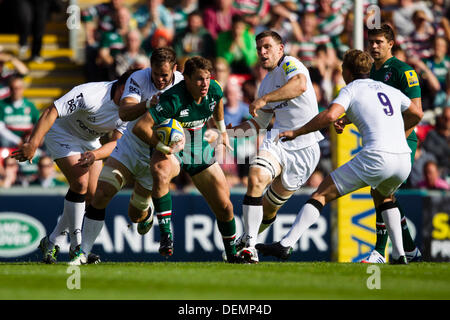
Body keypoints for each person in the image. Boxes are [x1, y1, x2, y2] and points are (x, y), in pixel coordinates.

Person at [255, 49, 423, 265]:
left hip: (377, 157)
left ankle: (286, 244)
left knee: (321, 194)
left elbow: (329, 115)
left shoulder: (351, 88)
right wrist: (398, 133)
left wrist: (297, 132)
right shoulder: (387, 89)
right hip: (402, 159)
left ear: (348, 71)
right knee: (384, 197)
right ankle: (399, 255)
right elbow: (417, 114)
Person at [71, 48, 184, 265]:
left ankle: (148, 211)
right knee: (101, 193)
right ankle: (83, 253)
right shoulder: (138, 78)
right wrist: (149, 102)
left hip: (158, 156)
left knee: (136, 216)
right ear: (150, 68)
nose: (160, 80)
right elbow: (124, 112)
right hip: (130, 148)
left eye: (165, 75)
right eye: (156, 74)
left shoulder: (181, 84)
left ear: (175, 70)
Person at [132, 56, 247, 263]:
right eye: (199, 80)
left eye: (207, 78)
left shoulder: (214, 88)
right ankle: (166, 235)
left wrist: (221, 130)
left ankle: (232, 255)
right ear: (185, 78)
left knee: (225, 207)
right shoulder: (172, 98)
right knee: (160, 170)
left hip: (199, 146)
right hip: (174, 147)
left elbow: (218, 101)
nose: (205, 84)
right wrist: (162, 146)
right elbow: (140, 127)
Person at [11, 70, 134, 264]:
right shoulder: (91, 93)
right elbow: (51, 111)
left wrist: (95, 154)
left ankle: (52, 241)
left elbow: (117, 143)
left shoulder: (130, 108)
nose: (129, 98)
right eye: (127, 93)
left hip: (91, 142)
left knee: (93, 195)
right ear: (119, 85)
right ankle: (77, 247)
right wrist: (33, 144)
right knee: (80, 183)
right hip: (61, 134)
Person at [227, 30, 324, 263]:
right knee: (256, 176)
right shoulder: (265, 84)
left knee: (270, 209)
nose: (262, 52)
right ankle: (249, 245)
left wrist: (265, 99)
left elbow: (299, 85)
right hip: (278, 140)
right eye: (259, 48)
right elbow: (257, 125)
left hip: (306, 148)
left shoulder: (291, 64)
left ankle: (244, 241)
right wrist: (228, 135)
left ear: (281, 49)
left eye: (267, 47)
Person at [360, 24, 424, 263]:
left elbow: (417, 111)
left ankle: (381, 251)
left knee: (380, 190)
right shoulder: (372, 73)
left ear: (391, 44)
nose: (374, 46)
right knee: (385, 194)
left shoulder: (403, 71)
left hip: (403, 140)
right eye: (371, 42)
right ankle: (408, 250)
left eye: (379, 42)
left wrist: (397, 135)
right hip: (385, 142)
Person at [0, 75, 40, 148]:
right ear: (9, 89)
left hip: (27, 141)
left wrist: (31, 137)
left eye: (19, 88)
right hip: (8, 142)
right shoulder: (2, 105)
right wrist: (17, 140)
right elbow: (1, 128)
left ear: (23, 89)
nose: (16, 91)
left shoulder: (30, 105)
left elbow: (38, 125)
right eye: (13, 88)